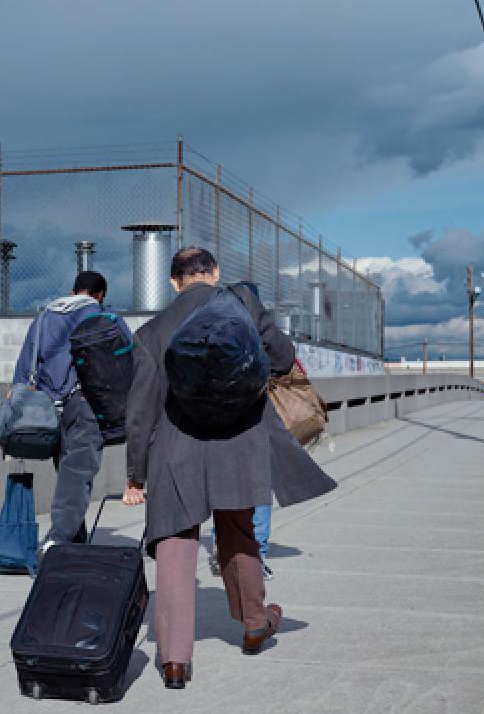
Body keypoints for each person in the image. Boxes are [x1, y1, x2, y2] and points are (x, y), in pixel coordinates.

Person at [122, 247, 336, 690]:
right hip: (240, 441)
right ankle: (255, 624)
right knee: (237, 532)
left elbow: (140, 413)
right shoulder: (243, 305)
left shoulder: (151, 333)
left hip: (177, 447)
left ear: (173, 281)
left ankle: (176, 659)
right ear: (214, 273)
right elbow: (282, 359)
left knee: (176, 540)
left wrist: (136, 474)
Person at [11, 271, 132, 559]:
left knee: (67, 472)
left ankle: (73, 546)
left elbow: (25, 365)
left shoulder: (42, 318)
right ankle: (57, 541)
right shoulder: (104, 318)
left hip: (48, 408)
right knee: (77, 473)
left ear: (73, 290)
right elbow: (128, 360)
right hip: (86, 403)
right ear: (100, 294)